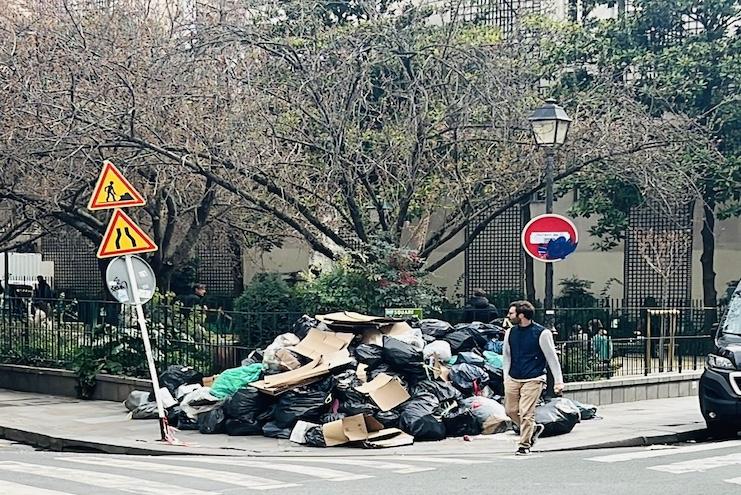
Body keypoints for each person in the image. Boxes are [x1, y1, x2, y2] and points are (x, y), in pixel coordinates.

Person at [502, 300, 565, 456]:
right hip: (514, 377)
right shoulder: (511, 332)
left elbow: (552, 358)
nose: (508, 316)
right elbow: (506, 356)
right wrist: (506, 377)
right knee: (510, 411)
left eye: (511, 313)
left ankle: (524, 445)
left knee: (526, 412)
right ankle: (533, 429)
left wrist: (558, 381)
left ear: (521, 315)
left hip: (534, 377)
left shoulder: (542, 333)